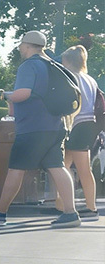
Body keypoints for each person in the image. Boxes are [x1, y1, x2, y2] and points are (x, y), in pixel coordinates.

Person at [0, 30, 80, 227]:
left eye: (21, 45)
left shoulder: (29, 66)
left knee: (16, 168)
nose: (19, 48)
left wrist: (7, 95)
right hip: (55, 126)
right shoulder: (53, 65)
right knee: (57, 167)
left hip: (32, 128)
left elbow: (23, 93)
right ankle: (70, 212)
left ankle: (0, 212)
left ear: (27, 46)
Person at [59, 45, 100, 220]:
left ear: (67, 61)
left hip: (76, 124)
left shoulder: (70, 77)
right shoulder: (90, 79)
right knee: (63, 165)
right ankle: (62, 203)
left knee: (81, 168)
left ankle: (88, 207)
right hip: (90, 123)